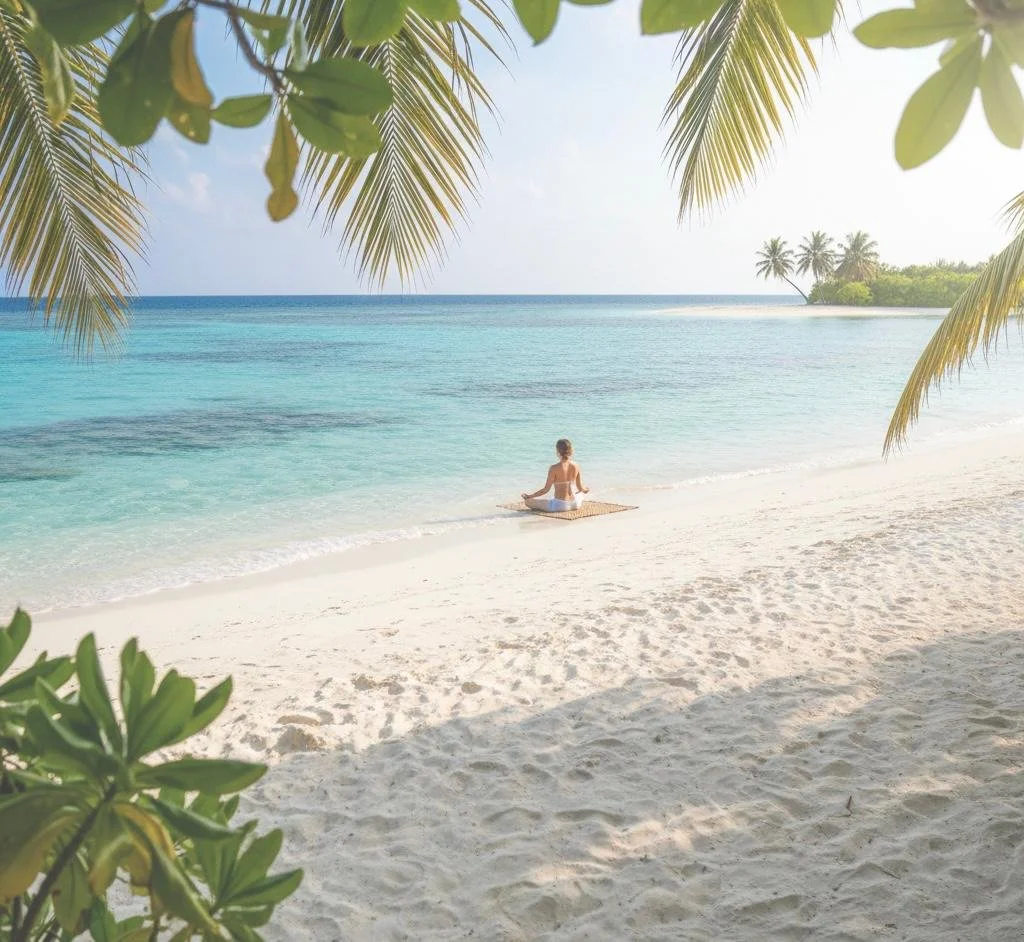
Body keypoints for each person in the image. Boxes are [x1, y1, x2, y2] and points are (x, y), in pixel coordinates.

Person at [521, 438, 590, 512]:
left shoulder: (554, 468)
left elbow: (545, 490)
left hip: (560, 505)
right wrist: (585, 490)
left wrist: (530, 496)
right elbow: (580, 488)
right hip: (575, 504)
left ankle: (533, 500)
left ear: (557, 451)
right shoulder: (576, 465)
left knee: (528, 502)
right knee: (579, 494)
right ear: (570, 450)